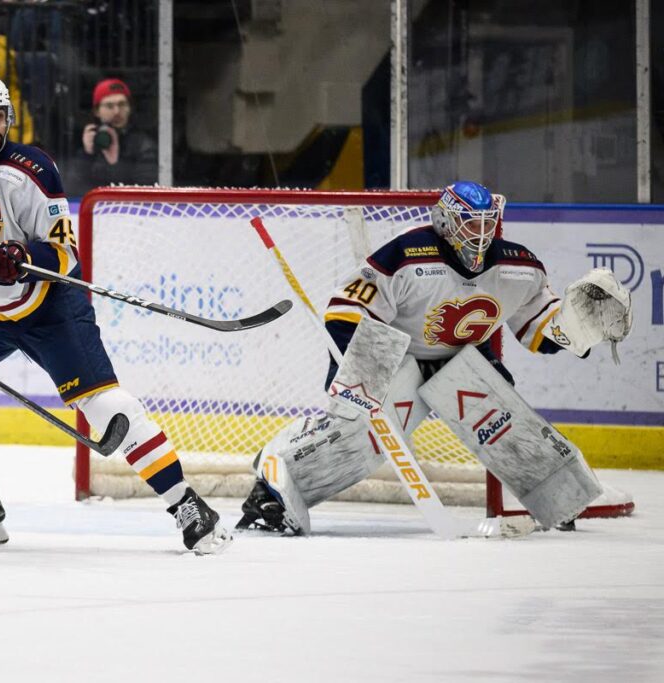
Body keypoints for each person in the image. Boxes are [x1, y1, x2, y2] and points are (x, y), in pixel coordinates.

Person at [0, 73, 232, 555]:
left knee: (105, 405)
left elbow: (66, 254)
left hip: (50, 307)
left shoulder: (30, 169)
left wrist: (24, 256)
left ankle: (188, 506)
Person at [236, 181, 633, 534]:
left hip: (464, 358)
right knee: (365, 437)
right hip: (400, 357)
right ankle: (273, 485)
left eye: (486, 223)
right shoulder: (408, 253)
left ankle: (559, 496)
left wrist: (577, 329)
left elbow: (539, 333)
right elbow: (346, 310)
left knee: (502, 420)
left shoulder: (520, 268)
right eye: (470, 223)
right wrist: (357, 375)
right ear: (445, 221)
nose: (480, 234)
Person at [78, 77, 157, 191]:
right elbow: (71, 190)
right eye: (109, 106)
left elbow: (145, 190)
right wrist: (87, 154)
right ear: (97, 111)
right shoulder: (88, 142)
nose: (116, 112)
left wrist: (114, 164)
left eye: (122, 104)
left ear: (130, 108)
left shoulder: (144, 146)